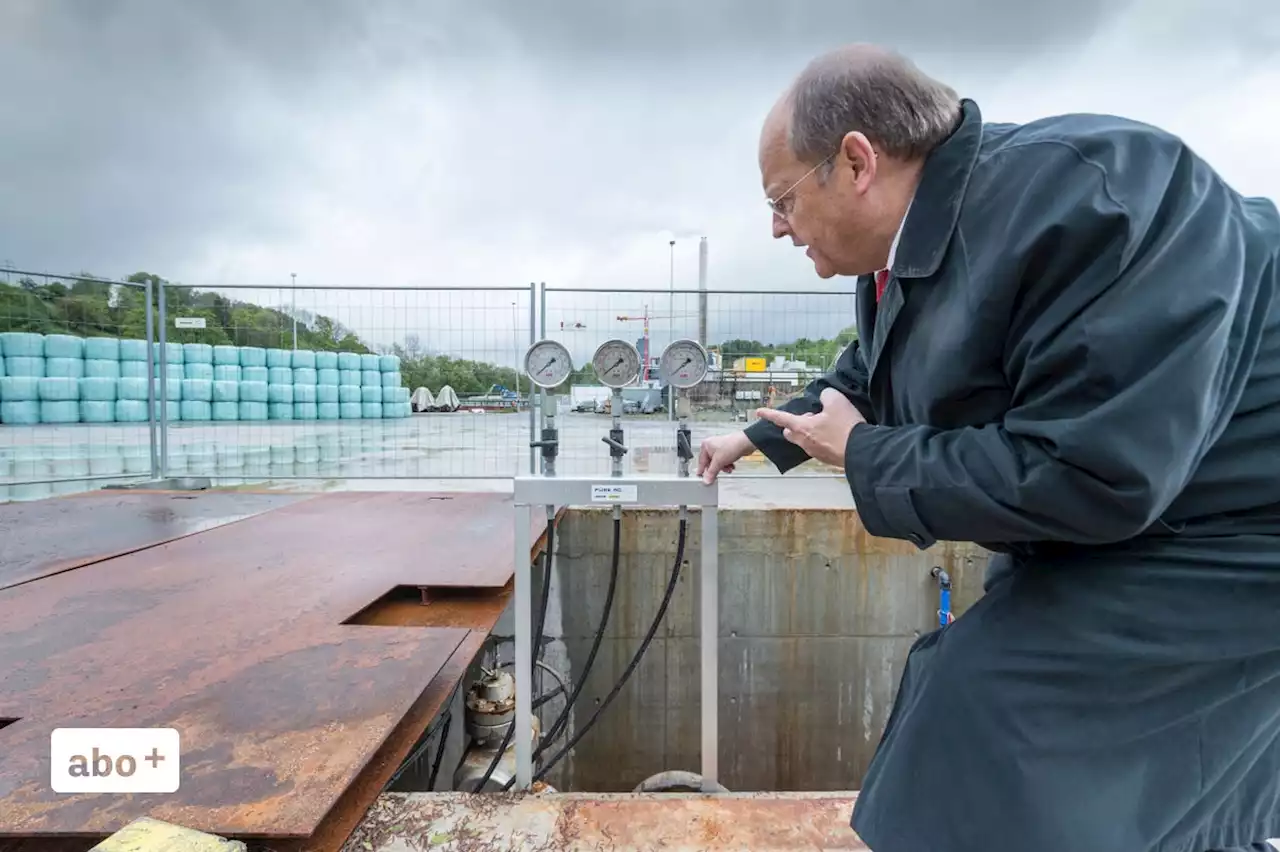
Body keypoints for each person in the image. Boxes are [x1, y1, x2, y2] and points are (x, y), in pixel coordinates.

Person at [697, 44, 1280, 852]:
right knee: (1002, 723)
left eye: (784, 197)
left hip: (1235, 535)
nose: (775, 225)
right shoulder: (920, 247)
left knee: (997, 721)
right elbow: (871, 372)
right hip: (1144, 522)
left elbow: (1095, 472)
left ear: (858, 161)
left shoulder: (1093, 197)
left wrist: (866, 456)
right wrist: (758, 436)